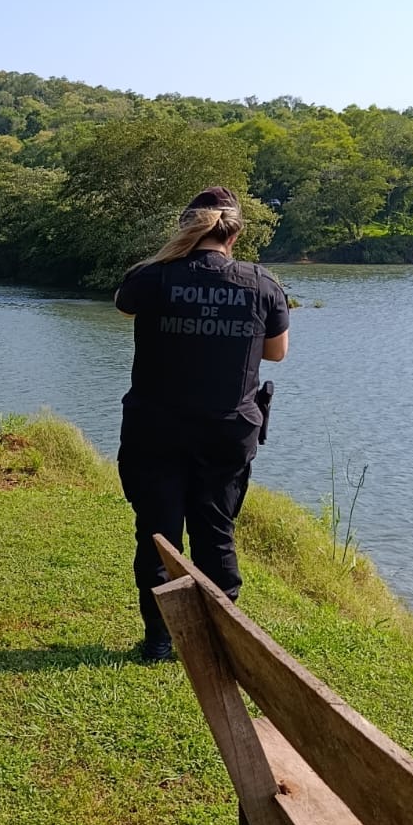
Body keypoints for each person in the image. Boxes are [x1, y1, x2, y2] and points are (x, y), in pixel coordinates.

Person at [115, 186, 289, 661]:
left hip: (155, 432)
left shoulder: (151, 278)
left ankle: (159, 641)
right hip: (226, 433)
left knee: (157, 534)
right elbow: (276, 353)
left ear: (186, 226)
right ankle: (216, 643)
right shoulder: (263, 283)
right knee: (215, 533)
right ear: (234, 234)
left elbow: (124, 306)